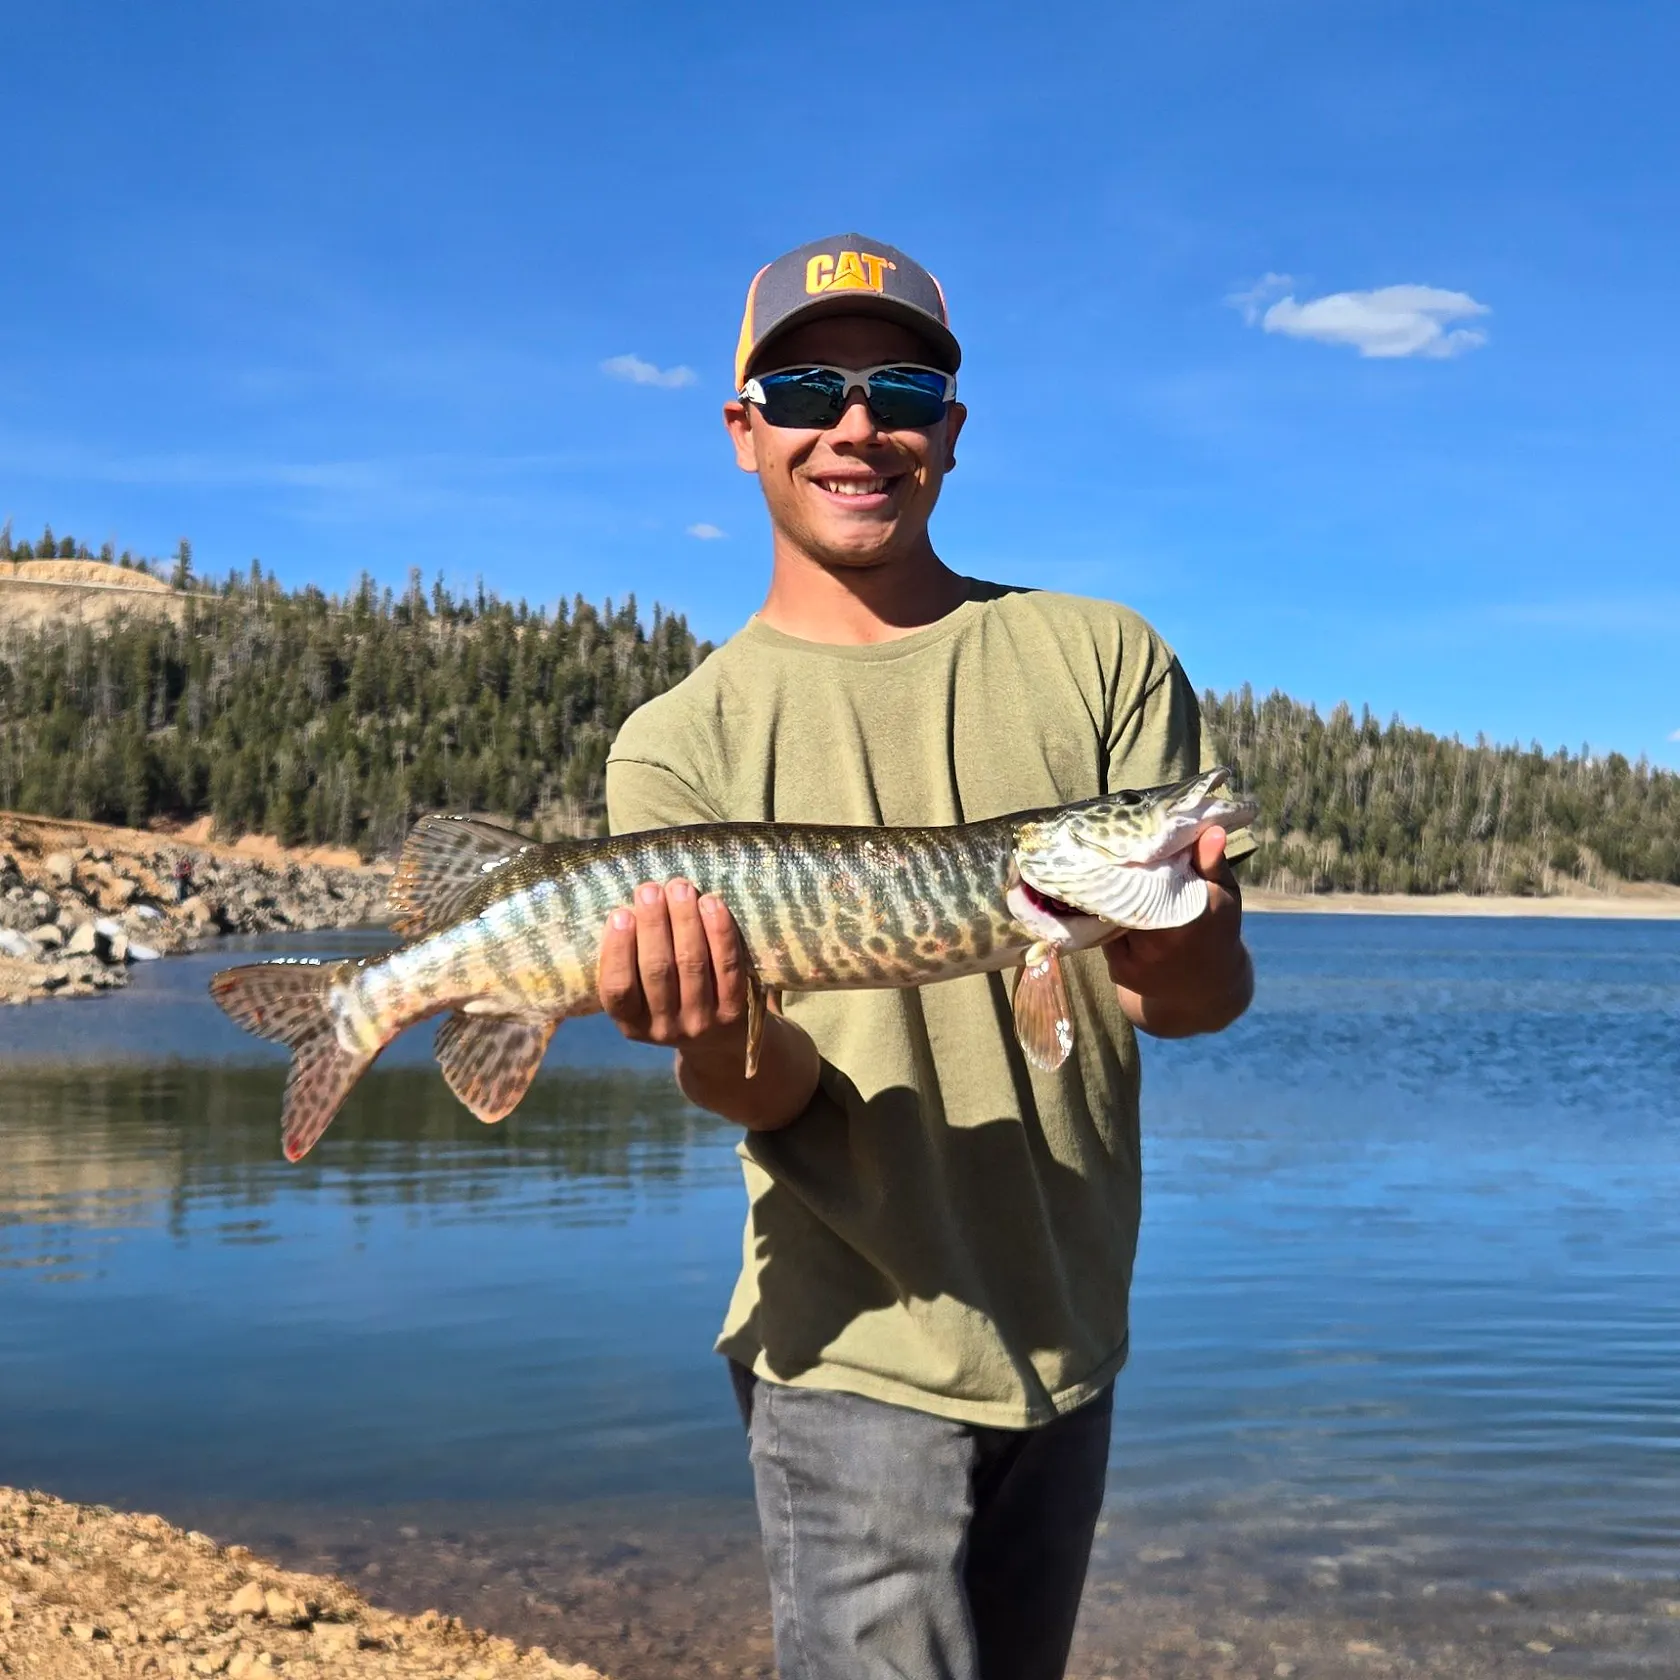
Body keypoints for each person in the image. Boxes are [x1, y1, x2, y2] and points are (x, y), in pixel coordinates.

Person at [599, 234, 1255, 1680]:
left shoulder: (1101, 659)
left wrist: (1186, 911)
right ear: (744, 431)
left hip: (1071, 1330)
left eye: (900, 389)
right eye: (803, 389)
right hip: (847, 1344)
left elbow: (1195, 1003)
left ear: (949, 433)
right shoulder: (678, 745)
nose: (856, 427)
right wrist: (711, 1035)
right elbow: (765, 1095)